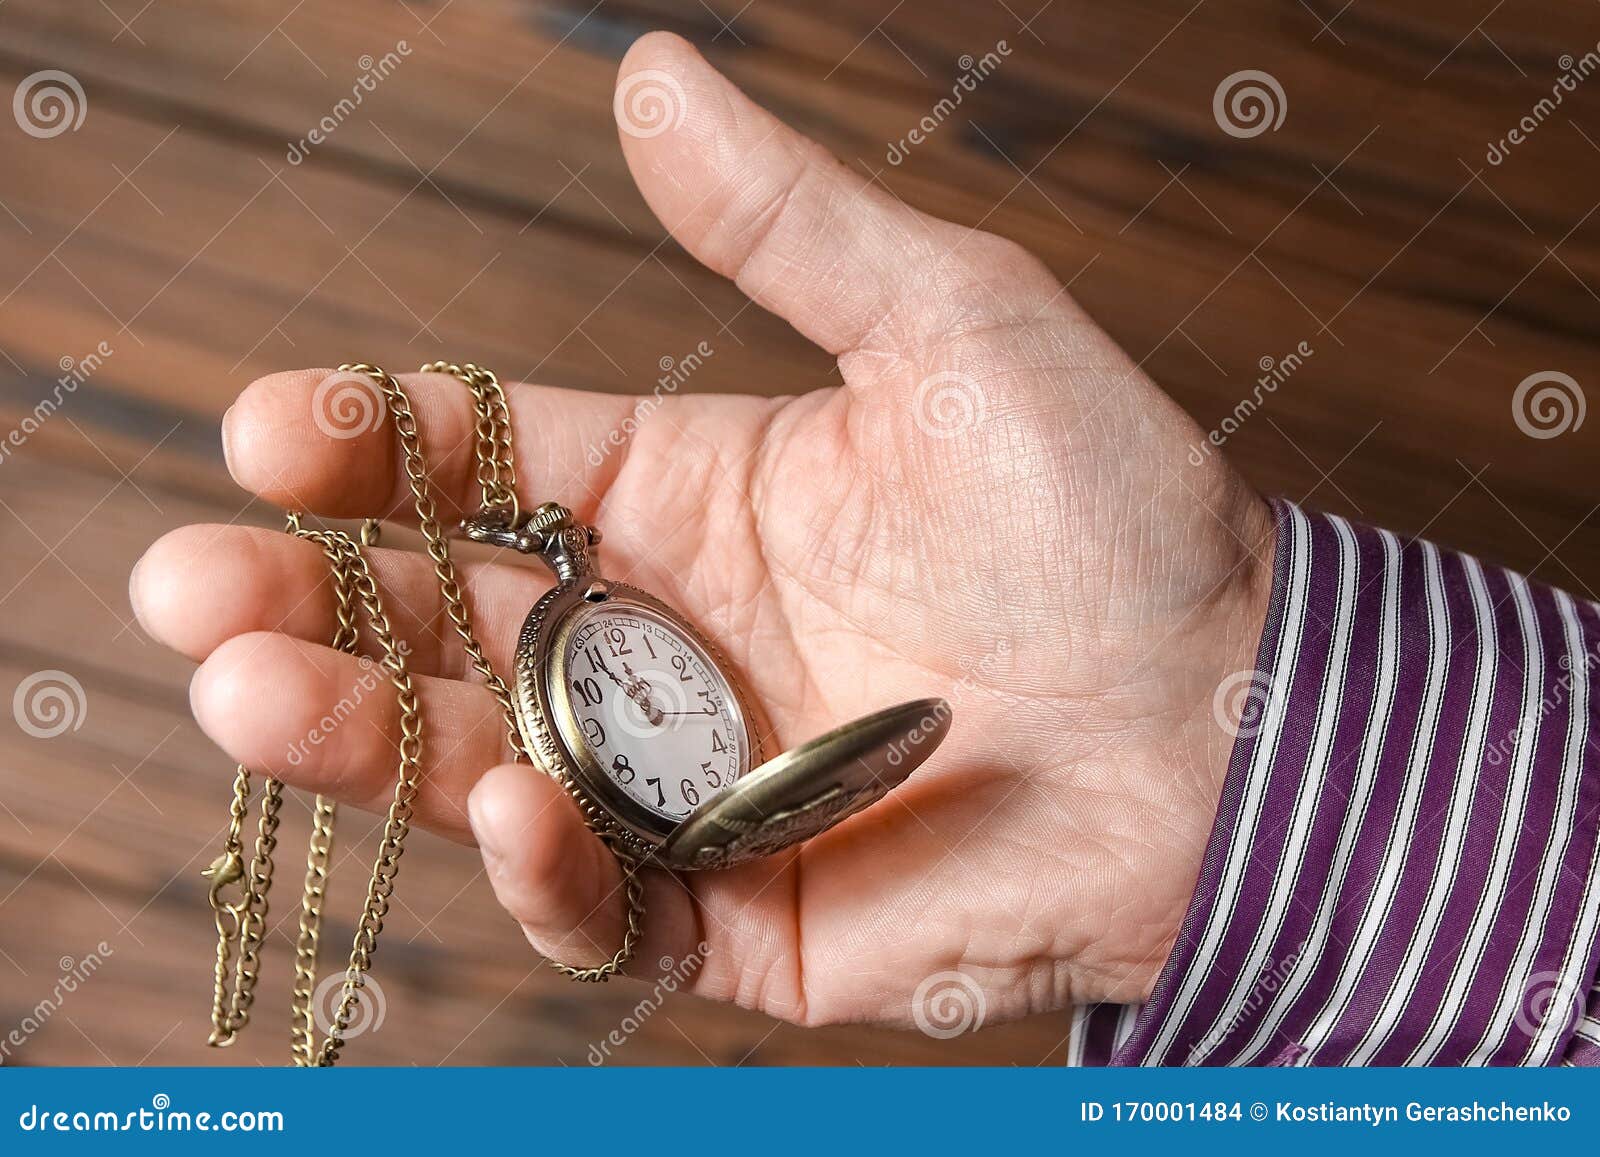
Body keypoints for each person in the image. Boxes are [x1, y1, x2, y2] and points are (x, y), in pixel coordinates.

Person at [129, 32, 1600, 1066]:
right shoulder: (599, 641)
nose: (655, 704)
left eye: (643, 702)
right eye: (647, 710)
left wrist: (1221, 719)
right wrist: (1231, 724)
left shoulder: (600, 646)